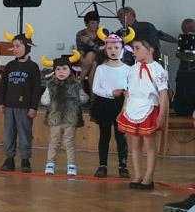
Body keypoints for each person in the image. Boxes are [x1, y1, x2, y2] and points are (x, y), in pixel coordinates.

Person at [117, 37, 169, 189]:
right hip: (133, 108)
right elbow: (128, 92)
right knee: (135, 144)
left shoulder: (158, 69)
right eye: (134, 48)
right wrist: (123, 109)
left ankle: (148, 176)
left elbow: (163, 94)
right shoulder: (133, 69)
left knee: (149, 144)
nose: (134, 51)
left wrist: (162, 115)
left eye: (138, 48)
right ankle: (138, 174)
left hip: (148, 108)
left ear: (149, 50)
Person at [90, 26, 134, 178]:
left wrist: (126, 93)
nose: (113, 50)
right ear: (105, 49)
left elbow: (131, 87)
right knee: (104, 136)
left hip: (121, 105)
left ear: (123, 49)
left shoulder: (128, 69)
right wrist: (110, 92)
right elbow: (96, 89)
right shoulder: (101, 69)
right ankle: (102, 165)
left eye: (116, 47)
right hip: (104, 105)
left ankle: (123, 166)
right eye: (110, 48)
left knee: (121, 137)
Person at [0, 23, 41, 173]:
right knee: (9, 133)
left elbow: (36, 89)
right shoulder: (9, 66)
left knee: (24, 133)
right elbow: (3, 85)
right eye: (13, 46)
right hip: (9, 106)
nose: (15, 49)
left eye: (18, 46)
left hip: (25, 108)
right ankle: (9, 159)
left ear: (27, 47)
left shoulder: (33, 67)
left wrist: (33, 107)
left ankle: (25, 160)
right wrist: (1, 102)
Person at [39, 51, 88, 175]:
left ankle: (71, 165)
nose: (61, 72)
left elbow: (84, 98)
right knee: (54, 141)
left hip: (70, 119)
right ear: (54, 72)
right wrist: (49, 99)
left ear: (70, 70)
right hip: (55, 118)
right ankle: (50, 163)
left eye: (64, 69)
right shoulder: (51, 85)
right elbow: (44, 100)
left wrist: (78, 98)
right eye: (58, 69)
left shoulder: (76, 85)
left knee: (69, 142)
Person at [75, 10, 101, 91]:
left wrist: (90, 43)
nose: (95, 25)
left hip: (100, 57)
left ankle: (78, 83)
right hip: (86, 60)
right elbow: (80, 51)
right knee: (93, 64)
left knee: (91, 54)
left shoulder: (102, 32)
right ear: (86, 23)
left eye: (97, 23)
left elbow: (102, 50)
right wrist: (84, 61)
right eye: (92, 23)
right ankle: (93, 97)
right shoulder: (81, 33)